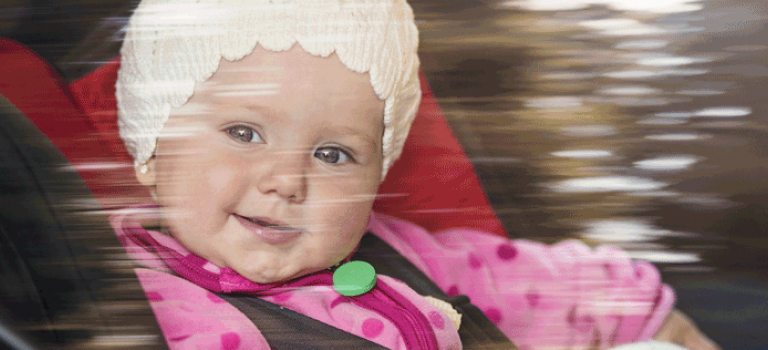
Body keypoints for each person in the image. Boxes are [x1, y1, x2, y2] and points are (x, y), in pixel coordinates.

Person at [111, 0, 719, 349]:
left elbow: (527, 284)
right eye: (244, 134)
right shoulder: (146, 301)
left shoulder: (384, 252)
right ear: (150, 146)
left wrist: (637, 304)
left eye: (333, 155)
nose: (287, 181)